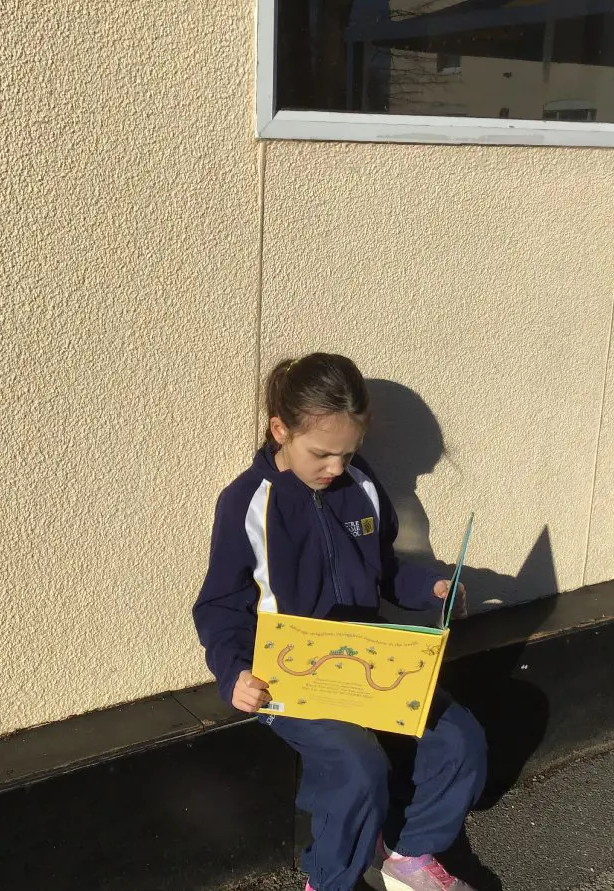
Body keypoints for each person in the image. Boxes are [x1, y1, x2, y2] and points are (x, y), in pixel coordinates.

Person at [193, 353, 488, 891]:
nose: (335, 468)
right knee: (356, 769)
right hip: (288, 677)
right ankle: (329, 881)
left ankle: (407, 854)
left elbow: (386, 569)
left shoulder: (361, 484)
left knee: (458, 739)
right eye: (321, 454)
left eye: (347, 453)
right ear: (280, 430)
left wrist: (431, 588)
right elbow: (220, 604)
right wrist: (234, 671)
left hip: (367, 663)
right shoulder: (247, 502)